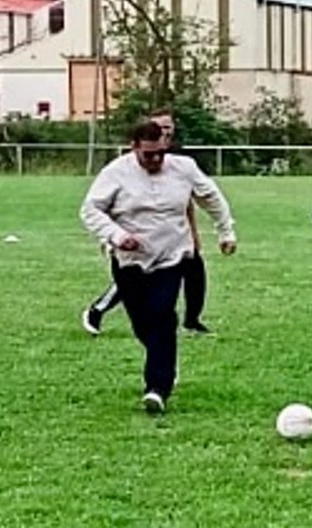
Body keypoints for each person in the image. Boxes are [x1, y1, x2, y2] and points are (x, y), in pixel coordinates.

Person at [79, 120, 237, 413]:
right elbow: (90, 210)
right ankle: (163, 360)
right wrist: (117, 236)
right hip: (129, 260)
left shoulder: (184, 168)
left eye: (159, 154)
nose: (154, 160)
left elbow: (212, 198)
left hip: (172, 254)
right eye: (147, 154)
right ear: (134, 147)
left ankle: (158, 387)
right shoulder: (115, 173)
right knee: (142, 324)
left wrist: (225, 231)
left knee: (162, 315)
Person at [82, 108, 213, 335]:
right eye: (161, 127)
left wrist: (193, 234)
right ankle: (98, 309)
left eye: (168, 127)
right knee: (135, 281)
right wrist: (117, 236)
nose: (165, 131)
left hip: (174, 232)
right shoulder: (127, 166)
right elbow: (98, 208)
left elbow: (187, 199)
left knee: (193, 270)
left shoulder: (176, 157)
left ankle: (191, 320)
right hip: (137, 241)